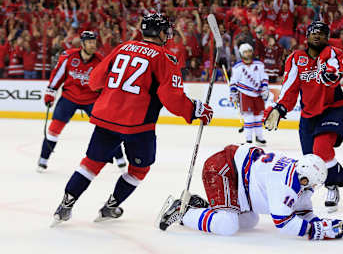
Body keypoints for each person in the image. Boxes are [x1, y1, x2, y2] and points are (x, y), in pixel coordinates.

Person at [50, 13, 214, 226]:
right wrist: (195, 109)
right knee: (139, 169)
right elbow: (172, 99)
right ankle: (111, 206)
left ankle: (65, 205)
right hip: (138, 126)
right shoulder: (164, 58)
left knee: (90, 164)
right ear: (161, 32)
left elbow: (94, 81)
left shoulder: (122, 47)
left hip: (105, 118)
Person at [263, 21, 343, 213]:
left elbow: (335, 69)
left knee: (321, 149)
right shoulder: (295, 58)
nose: (317, 35)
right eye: (313, 32)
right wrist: (279, 109)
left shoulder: (332, 53)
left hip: (332, 109)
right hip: (308, 115)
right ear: (306, 37)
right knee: (311, 162)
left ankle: (333, 185)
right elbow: (289, 89)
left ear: (327, 38)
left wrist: (331, 75)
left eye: (322, 33)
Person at [158, 144, 343, 240]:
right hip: (222, 169)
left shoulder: (299, 173)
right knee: (227, 226)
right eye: (313, 185)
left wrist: (321, 223)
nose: (313, 189)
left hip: (239, 176)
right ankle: (183, 212)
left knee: (250, 221)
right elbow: (283, 222)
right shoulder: (286, 184)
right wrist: (316, 231)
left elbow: (302, 211)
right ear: (305, 179)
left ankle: (202, 208)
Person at [37, 31, 126, 172]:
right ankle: (43, 160)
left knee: (108, 129)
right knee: (54, 129)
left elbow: (107, 81)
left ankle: (120, 159)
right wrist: (50, 92)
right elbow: (58, 75)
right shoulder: (69, 56)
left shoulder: (100, 60)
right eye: (90, 42)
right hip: (69, 98)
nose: (93, 45)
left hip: (91, 99)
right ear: (83, 44)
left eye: (94, 42)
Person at [230, 43, 269, 145]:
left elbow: (264, 77)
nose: (248, 54)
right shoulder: (237, 67)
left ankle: (259, 137)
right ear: (242, 53)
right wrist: (233, 94)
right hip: (245, 94)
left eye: (249, 51)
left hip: (258, 94)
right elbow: (233, 81)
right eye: (245, 52)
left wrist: (265, 88)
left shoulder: (259, 65)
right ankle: (248, 140)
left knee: (258, 117)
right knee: (249, 118)